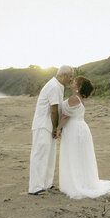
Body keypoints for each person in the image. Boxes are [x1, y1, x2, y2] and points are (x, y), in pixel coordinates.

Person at [56, 76, 110, 199]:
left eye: (75, 82)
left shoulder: (74, 98)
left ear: (79, 87)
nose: (72, 82)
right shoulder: (79, 98)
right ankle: (81, 182)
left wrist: (58, 128)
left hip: (75, 130)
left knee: (74, 155)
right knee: (80, 156)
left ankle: (76, 184)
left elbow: (65, 116)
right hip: (80, 128)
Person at [28, 65, 74, 195]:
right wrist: (56, 128)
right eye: (70, 77)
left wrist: (56, 128)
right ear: (63, 75)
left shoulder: (58, 86)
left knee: (50, 155)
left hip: (49, 125)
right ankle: (35, 188)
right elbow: (53, 109)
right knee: (40, 155)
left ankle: (47, 184)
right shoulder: (54, 86)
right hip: (43, 125)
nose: (71, 80)